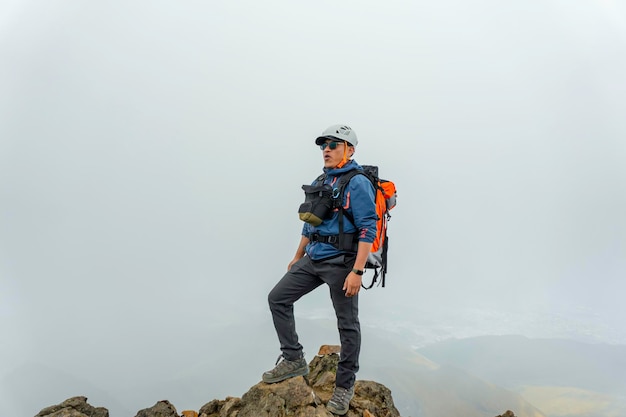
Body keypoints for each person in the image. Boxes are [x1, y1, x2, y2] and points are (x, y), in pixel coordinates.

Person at [262, 124, 377, 415]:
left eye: (333, 145)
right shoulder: (322, 178)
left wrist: (358, 271)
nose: (326, 149)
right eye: (323, 145)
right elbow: (310, 220)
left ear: (349, 150)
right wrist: (297, 254)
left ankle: (344, 386)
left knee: (347, 324)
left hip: (342, 263)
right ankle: (293, 358)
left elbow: (367, 228)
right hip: (313, 257)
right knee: (278, 298)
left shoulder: (357, 182)